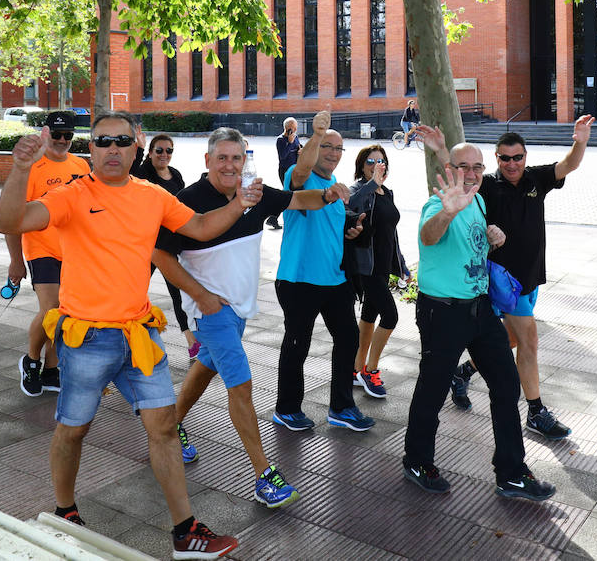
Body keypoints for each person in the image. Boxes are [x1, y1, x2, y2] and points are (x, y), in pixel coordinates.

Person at [0, 112, 259, 560]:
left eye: (121, 141)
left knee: (164, 429)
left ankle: (185, 532)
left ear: (135, 147)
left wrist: (239, 204)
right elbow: (12, 221)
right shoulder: (72, 195)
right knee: (72, 431)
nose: (112, 148)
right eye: (102, 142)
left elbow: (197, 227)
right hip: (86, 339)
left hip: (138, 335)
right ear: (91, 149)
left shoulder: (152, 196)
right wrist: (21, 170)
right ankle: (64, 511)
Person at [157, 127, 344, 507]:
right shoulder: (187, 200)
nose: (230, 165)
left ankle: (167, 426)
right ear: (207, 160)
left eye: (236, 157)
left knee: (205, 367)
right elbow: (159, 254)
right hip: (212, 312)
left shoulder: (255, 194)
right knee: (241, 385)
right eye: (222, 158)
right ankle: (263, 475)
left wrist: (326, 194)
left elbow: (296, 199)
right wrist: (200, 296)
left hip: (238, 308)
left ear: (245, 160)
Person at [401, 145, 556, 501]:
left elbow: (474, 244)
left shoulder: (479, 201)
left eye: (476, 167)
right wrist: (447, 213)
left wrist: (492, 237)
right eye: (463, 167)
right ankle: (417, 460)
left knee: (505, 384)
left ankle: (512, 472)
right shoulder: (439, 203)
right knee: (433, 388)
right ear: (451, 169)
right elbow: (428, 235)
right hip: (443, 311)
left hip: (479, 306)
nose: (470, 174)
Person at [427, 115, 594, 438]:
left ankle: (462, 373)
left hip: (531, 278)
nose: (512, 163)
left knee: (512, 339)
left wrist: (580, 140)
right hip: (504, 282)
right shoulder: (488, 184)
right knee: (529, 341)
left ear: (525, 156)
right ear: (497, 159)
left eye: (518, 157)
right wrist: (440, 151)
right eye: (505, 158)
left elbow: (568, 165)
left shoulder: (536, 179)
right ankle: (535, 411)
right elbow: (462, 172)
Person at [274, 110, 371, 433]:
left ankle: (341, 407)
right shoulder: (297, 177)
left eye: (337, 148)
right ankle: (286, 409)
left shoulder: (336, 186)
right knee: (297, 344)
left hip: (335, 279)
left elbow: (327, 231)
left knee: (348, 338)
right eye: (326, 146)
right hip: (298, 279)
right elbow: (301, 171)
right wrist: (316, 133)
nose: (331, 153)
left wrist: (349, 233)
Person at [6, 111, 90, 398]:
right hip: (41, 248)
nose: (63, 140)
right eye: (57, 135)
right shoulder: (32, 167)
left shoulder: (81, 165)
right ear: (45, 133)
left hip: (74, 251)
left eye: (69, 135)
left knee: (65, 313)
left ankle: (52, 368)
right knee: (51, 309)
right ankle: (31, 360)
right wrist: (16, 260)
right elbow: (12, 217)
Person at [346, 144, 409, 399]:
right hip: (366, 267)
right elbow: (351, 204)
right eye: (370, 161)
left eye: (380, 161)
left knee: (370, 316)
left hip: (383, 265)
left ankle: (356, 368)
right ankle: (370, 371)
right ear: (362, 166)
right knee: (391, 316)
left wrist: (402, 264)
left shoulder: (387, 193)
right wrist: (371, 183)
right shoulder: (359, 189)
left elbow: (391, 233)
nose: (376, 165)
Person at [132, 131, 196, 357]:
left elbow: (184, 205)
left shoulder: (176, 175)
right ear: (150, 153)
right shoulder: (143, 174)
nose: (164, 155)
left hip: (170, 243)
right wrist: (138, 149)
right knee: (135, 291)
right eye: (159, 150)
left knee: (178, 292)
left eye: (169, 151)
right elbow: (130, 174)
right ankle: (126, 335)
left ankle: (191, 340)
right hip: (146, 245)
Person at [269, 117, 302, 230]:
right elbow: (282, 157)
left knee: (289, 194)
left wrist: (301, 150)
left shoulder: (296, 137)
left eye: (296, 128)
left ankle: (273, 218)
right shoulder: (281, 140)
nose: (294, 131)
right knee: (287, 195)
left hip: (295, 169)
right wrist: (289, 142)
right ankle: (273, 218)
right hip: (285, 170)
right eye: (292, 128)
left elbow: (298, 147)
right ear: (287, 129)